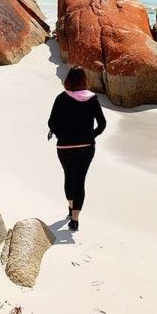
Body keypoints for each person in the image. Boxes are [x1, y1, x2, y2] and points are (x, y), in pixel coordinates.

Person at [46, 66, 106, 232]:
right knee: (79, 181)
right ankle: (75, 220)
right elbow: (102, 124)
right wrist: (91, 136)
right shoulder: (92, 99)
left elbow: (51, 123)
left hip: (64, 147)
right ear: (84, 80)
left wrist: (61, 135)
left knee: (68, 176)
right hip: (86, 148)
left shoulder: (61, 98)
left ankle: (71, 207)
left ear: (68, 81)